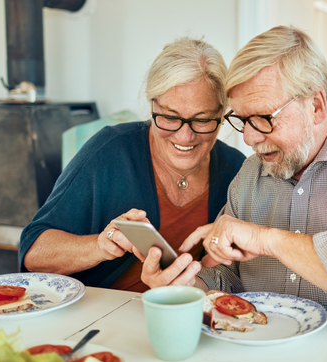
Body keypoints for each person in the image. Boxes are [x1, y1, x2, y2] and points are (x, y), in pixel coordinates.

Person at [142, 26, 327, 327]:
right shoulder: (250, 176)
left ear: (316, 106)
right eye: (243, 120)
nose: (248, 138)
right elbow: (227, 278)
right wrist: (184, 288)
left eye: (263, 118)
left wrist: (268, 240)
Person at [18, 37, 246, 291]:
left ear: (222, 115)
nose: (184, 136)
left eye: (202, 120)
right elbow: (33, 252)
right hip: (103, 316)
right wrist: (99, 246)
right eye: (170, 117)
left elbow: (239, 275)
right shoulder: (110, 150)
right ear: (152, 107)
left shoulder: (237, 170)